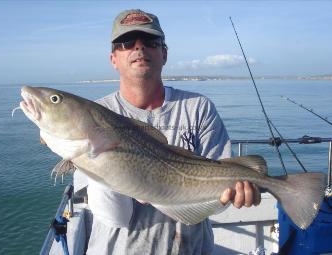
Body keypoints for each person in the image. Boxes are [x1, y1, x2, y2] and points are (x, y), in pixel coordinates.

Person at [78, 9, 261, 255]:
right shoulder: (97, 113)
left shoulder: (198, 108)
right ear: (113, 59)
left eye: (151, 41)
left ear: (164, 53)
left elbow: (217, 198)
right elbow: (110, 213)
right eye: (127, 42)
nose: (139, 49)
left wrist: (234, 195)